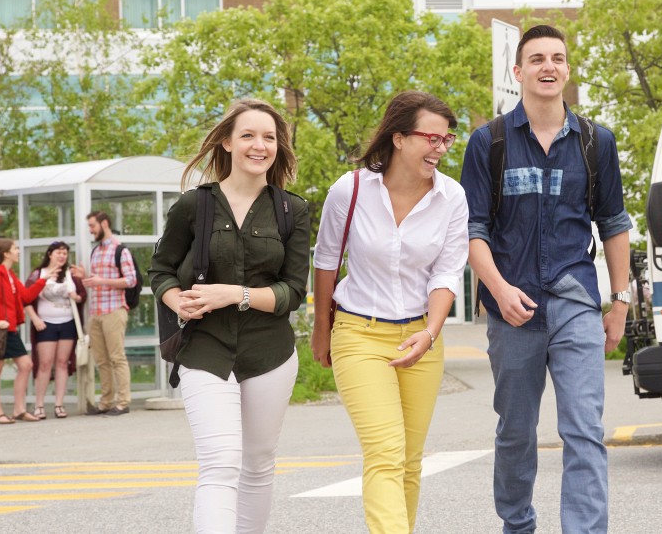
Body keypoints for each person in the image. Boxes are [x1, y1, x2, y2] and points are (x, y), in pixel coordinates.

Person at [460, 24, 632, 534]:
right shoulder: (487, 142)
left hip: (576, 300)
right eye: (536, 59)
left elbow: (614, 223)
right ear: (519, 72)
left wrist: (619, 303)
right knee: (516, 433)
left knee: (584, 430)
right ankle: (518, 525)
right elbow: (473, 230)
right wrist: (497, 289)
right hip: (513, 307)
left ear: (568, 70)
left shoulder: (596, 142)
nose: (548, 67)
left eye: (557, 58)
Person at [149, 97, 310, 533]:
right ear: (225, 143)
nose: (260, 146)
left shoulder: (291, 210)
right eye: (248, 136)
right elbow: (161, 270)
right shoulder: (193, 205)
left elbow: (294, 292)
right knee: (220, 465)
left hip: (269, 352)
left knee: (257, 466)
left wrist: (232, 294)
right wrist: (174, 299)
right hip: (205, 349)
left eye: (269, 137)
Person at [311, 91, 469, 534]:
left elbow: (446, 273)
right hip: (359, 333)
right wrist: (321, 331)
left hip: (421, 336)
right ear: (398, 138)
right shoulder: (352, 188)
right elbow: (326, 261)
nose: (440, 148)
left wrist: (432, 332)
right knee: (384, 451)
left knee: (410, 461)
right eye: (431, 138)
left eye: (447, 139)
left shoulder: (452, 198)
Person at [0, 238, 59, 424]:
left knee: (26, 365)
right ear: (6, 253)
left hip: (10, 329)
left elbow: (26, 296)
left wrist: (43, 280)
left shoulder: (10, 274)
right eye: (15, 248)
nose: (19, 251)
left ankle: (19, 410)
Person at [77, 210, 136, 415]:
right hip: (96, 312)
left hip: (114, 310)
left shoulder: (120, 250)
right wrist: (84, 276)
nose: (91, 230)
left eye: (92, 226)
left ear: (104, 224)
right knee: (101, 360)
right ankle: (106, 402)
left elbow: (131, 280)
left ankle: (123, 402)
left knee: (117, 357)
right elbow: (96, 281)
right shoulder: (96, 251)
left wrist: (101, 281)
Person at [25, 241, 86, 419]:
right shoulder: (39, 274)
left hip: (67, 322)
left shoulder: (70, 274)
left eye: (65, 253)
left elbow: (82, 295)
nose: (62, 256)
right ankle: (39, 405)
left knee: (62, 363)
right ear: (50, 254)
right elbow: (26, 298)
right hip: (45, 324)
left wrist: (76, 296)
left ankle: (59, 404)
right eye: (58, 253)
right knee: (45, 364)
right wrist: (35, 319)